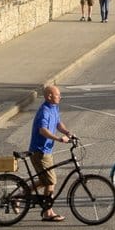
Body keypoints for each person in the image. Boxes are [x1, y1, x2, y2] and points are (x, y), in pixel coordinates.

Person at [29, 84, 74, 221]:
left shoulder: (53, 107)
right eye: (57, 94)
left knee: (47, 180)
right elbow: (42, 130)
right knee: (51, 181)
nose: (60, 97)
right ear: (49, 96)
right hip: (40, 152)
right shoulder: (44, 111)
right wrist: (59, 139)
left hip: (46, 151)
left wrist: (67, 132)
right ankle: (48, 213)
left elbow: (58, 123)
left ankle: (22, 193)